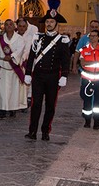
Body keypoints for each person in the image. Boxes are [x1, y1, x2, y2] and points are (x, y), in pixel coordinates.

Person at [24, 12, 70, 141]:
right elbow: (32, 57)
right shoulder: (38, 38)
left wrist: (64, 75)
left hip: (53, 76)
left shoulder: (62, 40)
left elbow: (65, 60)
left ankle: (45, 131)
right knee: (36, 104)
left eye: (51, 22)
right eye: (47, 22)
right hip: (38, 75)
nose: (49, 24)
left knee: (50, 105)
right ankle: (32, 131)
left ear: (56, 24)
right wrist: (28, 73)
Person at [0, 19, 27, 118]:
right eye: (6, 24)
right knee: (2, 91)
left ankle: (13, 109)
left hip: (14, 69)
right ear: (4, 26)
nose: (8, 26)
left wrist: (12, 56)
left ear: (14, 26)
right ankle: (2, 110)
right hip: (3, 68)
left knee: (14, 91)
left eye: (10, 24)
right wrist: (2, 57)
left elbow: (20, 50)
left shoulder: (20, 39)